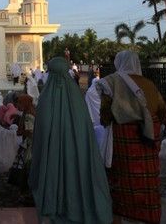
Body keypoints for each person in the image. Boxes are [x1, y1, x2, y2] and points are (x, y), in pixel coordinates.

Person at [28, 57, 113, 224]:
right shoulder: (76, 96)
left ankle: (56, 202)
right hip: (76, 151)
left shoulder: (47, 97)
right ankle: (76, 204)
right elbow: (84, 128)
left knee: (56, 172)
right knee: (75, 173)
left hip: (53, 152)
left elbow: (42, 130)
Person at [96, 50, 166, 224]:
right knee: (146, 184)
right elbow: (164, 114)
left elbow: (105, 116)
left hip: (123, 146)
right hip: (147, 144)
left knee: (119, 184)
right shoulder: (149, 85)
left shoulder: (111, 82)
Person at [15, 94, 36, 204]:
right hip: (32, 145)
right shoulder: (28, 112)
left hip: (30, 146)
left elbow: (29, 132)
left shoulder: (28, 115)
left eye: (20, 103)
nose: (18, 105)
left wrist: (20, 135)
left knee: (28, 169)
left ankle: (29, 195)